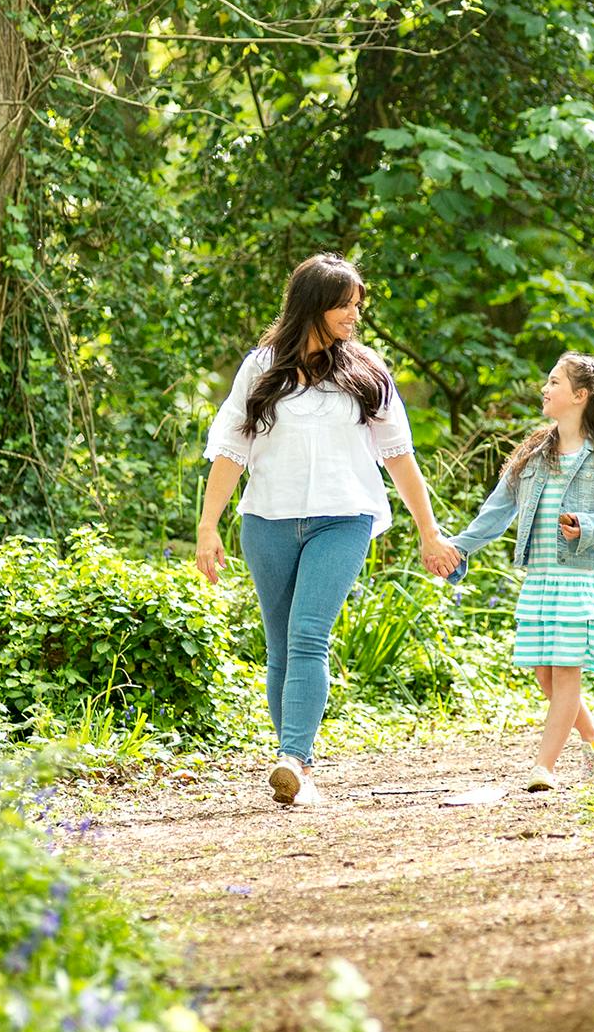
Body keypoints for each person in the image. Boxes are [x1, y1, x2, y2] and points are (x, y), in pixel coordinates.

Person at [196, 254, 460, 808]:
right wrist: (208, 525)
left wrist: (429, 532)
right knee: (280, 646)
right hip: (267, 520)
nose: (353, 315)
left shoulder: (366, 370)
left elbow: (399, 456)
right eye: (344, 305)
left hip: (344, 518)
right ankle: (294, 766)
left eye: (357, 305)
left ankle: (296, 759)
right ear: (313, 304)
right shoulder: (261, 367)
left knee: (309, 634)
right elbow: (231, 451)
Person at [442, 353, 594, 791]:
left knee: (566, 675)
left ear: (580, 395)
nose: (544, 389)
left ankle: (543, 768)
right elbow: (497, 511)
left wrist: (587, 526)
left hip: (580, 581)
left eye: (554, 382)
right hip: (541, 580)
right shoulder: (534, 453)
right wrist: (457, 547)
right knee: (546, 678)